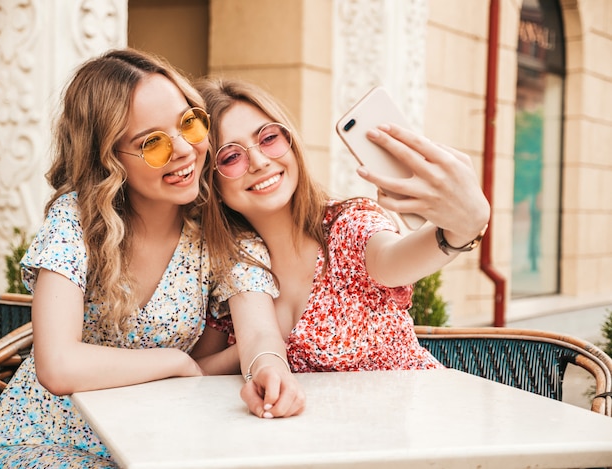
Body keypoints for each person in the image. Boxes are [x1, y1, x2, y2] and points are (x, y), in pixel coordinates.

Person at [0, 50, 303, 468]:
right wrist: (174, 362)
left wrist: (268, 368)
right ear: (109, 156)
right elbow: (58, 364)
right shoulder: (76, 220)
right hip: (43, 441)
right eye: (151, 143)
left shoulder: (221, 234)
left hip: (151, 446)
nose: (183, 150)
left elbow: (260, 333)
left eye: (189, 123)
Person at [195, 77, 491, 409]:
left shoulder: (346, 225)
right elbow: (198, 373)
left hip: (415, 423)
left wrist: (459, 231)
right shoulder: (233, 262)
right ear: (212, 182)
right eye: (231, 157)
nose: (260, 161)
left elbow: (394, 260)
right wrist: (255, 348)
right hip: (324, 446)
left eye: (269, 139)